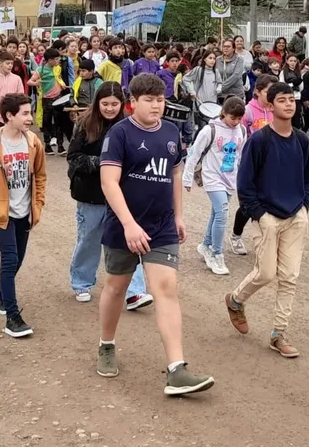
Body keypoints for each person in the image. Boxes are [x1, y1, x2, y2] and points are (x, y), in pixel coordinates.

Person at [95, 73, 213, 395]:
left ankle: (177, 369)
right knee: (116, 288)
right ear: (133, 102)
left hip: (161, 227)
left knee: (166, 289)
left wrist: (179, 216)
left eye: (160, 100)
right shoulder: (119, 134)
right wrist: (129, 224)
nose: (156, 106)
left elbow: (175, 173)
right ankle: (106, 344)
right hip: (124, 226)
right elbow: (108, 182)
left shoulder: (171, 132)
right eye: (149, 100)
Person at [225, 82, 309, 359]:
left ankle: (278, 334)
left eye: (291, 100)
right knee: (265, 273)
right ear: (270, 105)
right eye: (282, 100)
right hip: (267, 218)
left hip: (296, 216)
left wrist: (304, 207)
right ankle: (235, 300)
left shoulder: (302, 141)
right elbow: (245, 183)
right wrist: (260, 215)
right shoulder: (259, 141)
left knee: (289, 277)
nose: (288, 104)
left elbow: (308, 179)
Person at [67, 81, 152, 308]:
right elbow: (74, 158)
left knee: (128, 240)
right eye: (105, 103)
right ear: (98, 103)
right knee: (89, 240)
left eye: (114, 104)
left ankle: (134, 291)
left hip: (121, 196)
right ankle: (81, 283)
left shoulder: (131, 126)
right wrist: (104, 163)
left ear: (122, 104)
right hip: (90, 195)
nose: (110, 108)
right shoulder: (84, 124)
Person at [0, 93, 47, 338]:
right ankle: (12, 318)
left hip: (25, 213)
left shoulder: (33, 143)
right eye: (25, 113)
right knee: (10, 259)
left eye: (30, 112)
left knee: (19, 259)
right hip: (3, 214)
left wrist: (38, 203)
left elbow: (40, 175)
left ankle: (1, 292)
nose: (30, 118)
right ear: (9, 116)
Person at [184, 96, 247, 275]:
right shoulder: (209, 130)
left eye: (239, 118)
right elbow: (194, 153)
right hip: (212, 177)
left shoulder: (242, 130)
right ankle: (216, 254)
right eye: (232, 118)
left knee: (216, 213)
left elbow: (240, 156)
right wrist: (187, 178)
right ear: (223, 113)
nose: (236, 122)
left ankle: (206, 244)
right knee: (222, 213)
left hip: (230, 178)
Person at [37, 47, 69, 155]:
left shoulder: (57, 68)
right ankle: (47, 145)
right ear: (49, 60)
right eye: (56, 59)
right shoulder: (40, 70)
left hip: (58, 97)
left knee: (59, 122)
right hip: (47, 99)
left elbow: (58, 78)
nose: (58, 61)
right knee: (47, 122)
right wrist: (37, 82)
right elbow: (30, 82)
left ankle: (60, 146)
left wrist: (62, 85)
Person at [0, 51, 25, 132]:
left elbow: (21, 97)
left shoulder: (17, 79)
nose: (10, 65)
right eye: (7, 63)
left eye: (11, 63)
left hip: (14, 117)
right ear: (0, 63)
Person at [278, 54, 304, 129]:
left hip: (296, 97)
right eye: (291, 61)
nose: (293, 63)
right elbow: (282, 86)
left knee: (296, 118)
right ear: (287, 61)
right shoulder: (283, 72)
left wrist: (298, 83)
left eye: (295, 61)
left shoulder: (299, 72)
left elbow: (301, 87)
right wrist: (292, 84)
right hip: (287, 97)